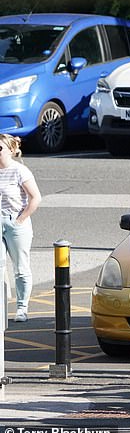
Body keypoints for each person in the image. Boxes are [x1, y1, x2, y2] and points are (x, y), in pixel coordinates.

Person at [0, 134, 41, 323]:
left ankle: (22, 308)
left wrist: (21, 219)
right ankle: (2, 305)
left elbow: (35, 198)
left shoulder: (19, 171)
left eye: (0, 148)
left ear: (11, 150)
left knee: (20, 268)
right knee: (0, 266)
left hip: (15, 221)